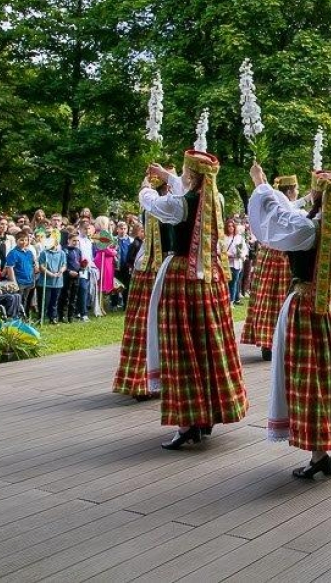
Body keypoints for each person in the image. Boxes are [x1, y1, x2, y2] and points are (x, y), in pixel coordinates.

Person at [247, 165, 331, 479]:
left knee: (307, 377)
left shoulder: (308, 228)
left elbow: (278, 218)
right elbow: (287, 212)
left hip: (305, 307)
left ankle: (319, 455)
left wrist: (261, 185)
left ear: (316, 193)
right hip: (329, 309)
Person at [139, 149, 247, 450]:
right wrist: (166, 175)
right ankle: (206, 415)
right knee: (205, 346)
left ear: (193, 175)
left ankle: (187, 422)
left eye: (186, 171)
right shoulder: (211, 199)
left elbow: (157, 206)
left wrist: (146, 188)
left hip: (182, 277)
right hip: (208, 281)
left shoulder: (182, 204)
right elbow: (183, 190)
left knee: (181, 347)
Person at [113, 167, 180, 400]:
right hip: (163, 270)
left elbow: (145, 194)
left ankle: (140, 378)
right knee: (164, 325)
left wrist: (146, 186)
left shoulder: (150, 204)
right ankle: (158, 379)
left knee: (142, 323)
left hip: (146, 268)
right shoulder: (170, 204)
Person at [242, 175, 301, 361]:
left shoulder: (270, 209)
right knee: (281, 298)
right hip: (282, 257)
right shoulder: (285, 211)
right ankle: (278, 342)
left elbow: (292, 206)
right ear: (290, 191)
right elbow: (292, 211)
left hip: (266, 255)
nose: (297, 192)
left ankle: (267, 343)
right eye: (296, 189)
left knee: (265, 298)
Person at [4, 231, 38, 318]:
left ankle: (24, 317)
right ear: (16, 241)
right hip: (19, 281)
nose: (24, 242)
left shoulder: (29, 252)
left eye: (26, 240)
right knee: (18, 301)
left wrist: (33, 276)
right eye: (21, 240)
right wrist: (13, 282)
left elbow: (33, 265)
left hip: (29, 281)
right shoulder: (13, 253)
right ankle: (17, 317)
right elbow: (10, 268)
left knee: (25, 300)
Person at [220, 219, 248, 305]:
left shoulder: (239, 237)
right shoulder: (223, 237)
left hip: (236, 264)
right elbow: (218, 249)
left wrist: (241, 255)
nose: (231, 228)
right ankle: (225, 299)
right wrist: (226, 254)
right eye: (229, 226)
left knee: (234, 282)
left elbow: (245, 249)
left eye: (232, 226)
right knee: (225, 283)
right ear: (226, 227)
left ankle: (231, 301)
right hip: (225, 263)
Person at [40, 236, 66, 324]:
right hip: (46, 281)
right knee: (45, 300)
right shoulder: (44, 253)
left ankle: (53, 317)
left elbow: (64, 264)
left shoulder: (62, 253)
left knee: (54, 300)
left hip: (57, 281)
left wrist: (60, 271)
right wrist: (50, 274)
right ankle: (42, 317)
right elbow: (42, 266)